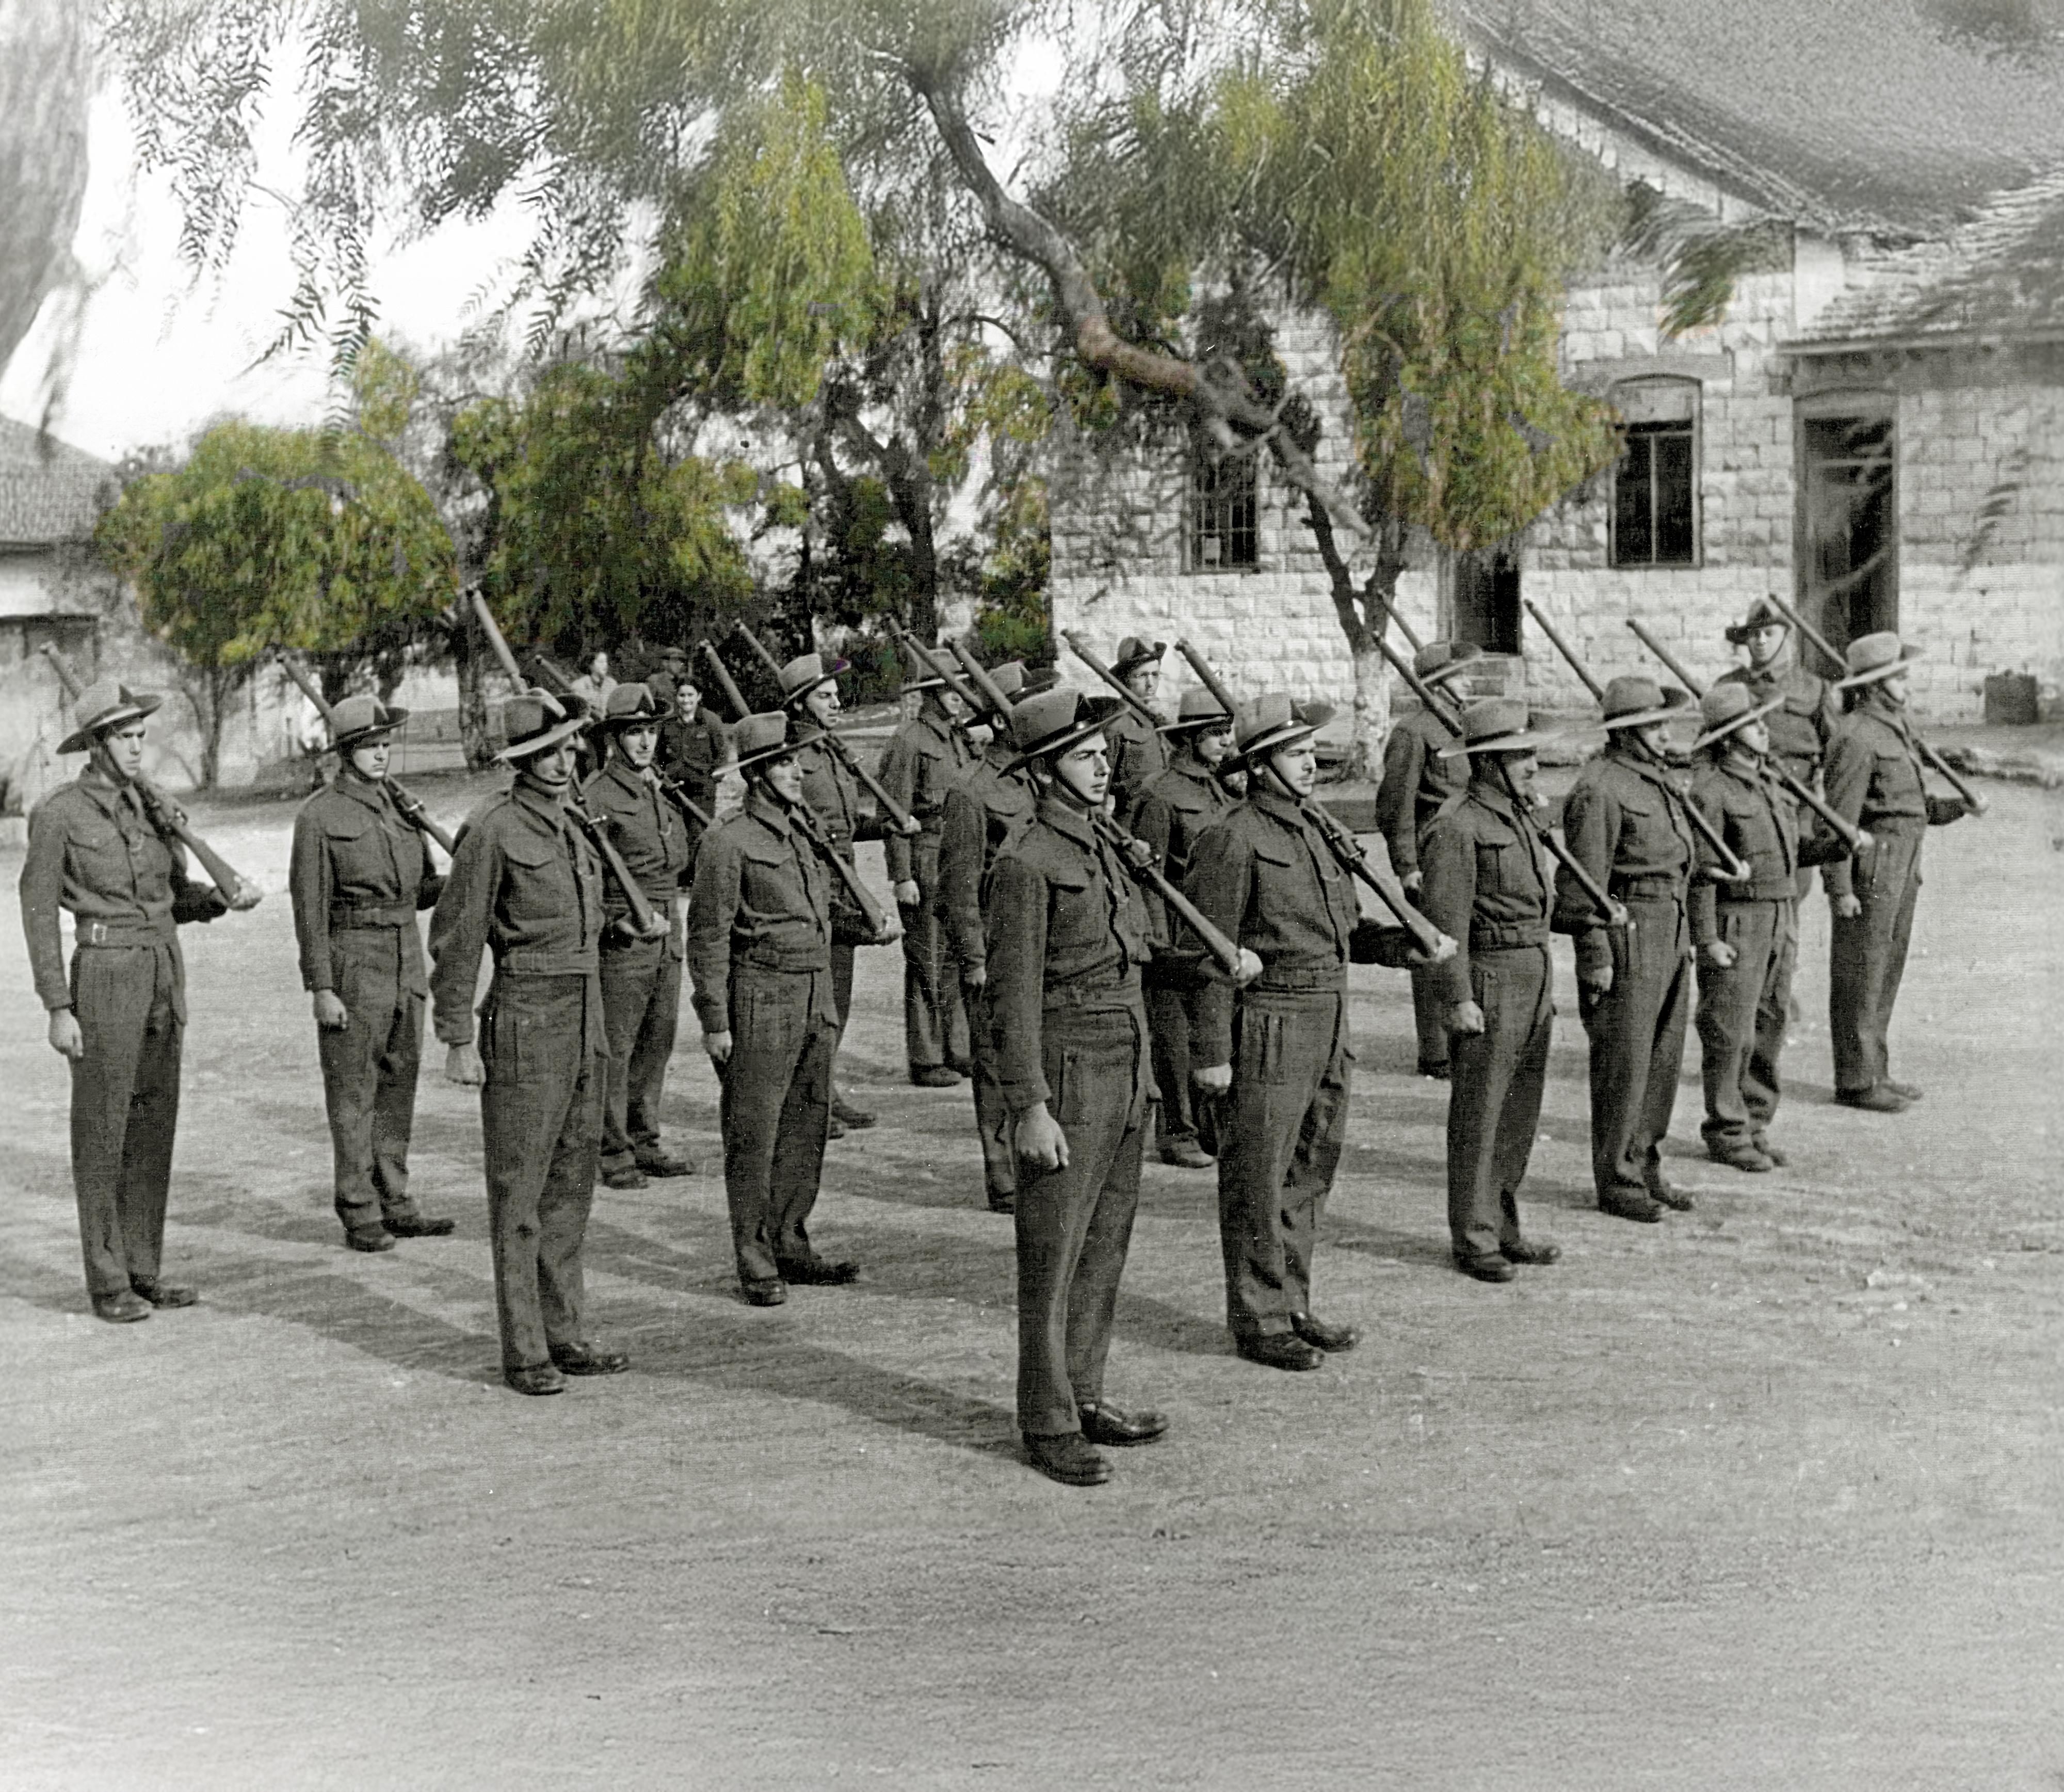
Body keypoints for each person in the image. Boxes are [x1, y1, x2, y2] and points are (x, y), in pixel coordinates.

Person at [1186, 693, 1425, 1370]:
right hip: (1271, 1022)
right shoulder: (1233, 837)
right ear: (1260, 767)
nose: (1312, 762)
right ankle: (1258, 1316)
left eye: (1310, 750)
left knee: (1310, 1168)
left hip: (1329, 1017)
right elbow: (1210, 950)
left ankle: (1291, 1299)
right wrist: (1211, 1054)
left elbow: (1345, 931)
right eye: (1295, 753)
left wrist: (1404, 946)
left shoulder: (1318, 831)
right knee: (1258, 1175)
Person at [19, 679, 260, 1322]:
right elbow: (39, 912)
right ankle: (107, 1280)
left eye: (139, 735)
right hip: (103, 976)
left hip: (161, 971)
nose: (136, 747)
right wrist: (57, 1005)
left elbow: (172, 895)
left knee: (154, 1126)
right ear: (95, 746)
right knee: (102, 1131)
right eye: (123, 737)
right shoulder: (59, 813)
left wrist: (215, 899)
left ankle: (143, 1267)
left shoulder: (154, 808)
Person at [985, 688, 1174, 1485]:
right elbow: (1012, 995)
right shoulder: (1027, 864)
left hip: (1125, 1063)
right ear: (1045, 770)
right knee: (1053, 1257)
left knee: (1106, 1245)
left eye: (1104, 753)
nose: (1104, 765)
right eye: (1085, 756)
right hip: (1069, 1067)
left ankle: (1086, 1390)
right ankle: (1049, 1419)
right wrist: (1029, 1104)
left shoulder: (1104, 846)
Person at [429, 692, 628, 1395]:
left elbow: (585, 917)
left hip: (584, 1016)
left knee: (571, 1185)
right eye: (548, 752)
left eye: (570, 748)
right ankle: (526, 1350)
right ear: (521, 761)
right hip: (524, 1019)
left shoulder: (573, 824)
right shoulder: (492, 829)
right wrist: (457, 1036)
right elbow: (458, 936)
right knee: (520, 1192)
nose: (564, 759)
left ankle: (565, 1330)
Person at [688, 712, 889, 1305]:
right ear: (755, 774)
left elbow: (820, 910)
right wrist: (715, 1020)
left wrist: (865, 929)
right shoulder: (727, 842)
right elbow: (709, 937)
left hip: (813, 995)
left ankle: (791, 1239)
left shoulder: (801, 832)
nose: (797, 771)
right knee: (754, 1134)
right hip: (762, 1000)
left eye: (796, 760)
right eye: (782, 762)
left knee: (806, 1127)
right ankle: (754, 1258)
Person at [287, 693, 455, 1253]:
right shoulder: (319, 816)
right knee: (354, 1092)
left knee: (398, 1085)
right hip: (354, 960)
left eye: (386, 745)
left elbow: (423, 888)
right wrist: (322, 986)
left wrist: (467, 870)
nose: (382, 755)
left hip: (406, 956)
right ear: (345, 752)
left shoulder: (402, 808)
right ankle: (359, 1209)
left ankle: (396, 1199)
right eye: (369, 746)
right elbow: (310, 908)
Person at [1416, 699, 1565, 1282]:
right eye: (1518, 755)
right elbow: (1445, 923)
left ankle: (1504, 1225)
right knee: (1480, 1114)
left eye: (1530, 752)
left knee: (1518, 1113)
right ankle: (1474, 1237)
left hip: (1532, 972)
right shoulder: (1456, 825)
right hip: (1490, 978)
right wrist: (1456, 997)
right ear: (1487, 763)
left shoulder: (1518, 814)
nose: (1532, 764)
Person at [1687, 683, 1864, 1166]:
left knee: (1769, 1024)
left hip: (1780, 915)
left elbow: (1793, 851)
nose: (1766, 729)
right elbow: (1700, 874)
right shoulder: (1710, 793)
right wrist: (1707, 939)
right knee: (1731, 1030)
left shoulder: (1769, 784)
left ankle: (1755, 1121)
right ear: (1727, 739)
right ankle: (1726, 1130)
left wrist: (1835, 848)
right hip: (1738, 920)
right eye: (1754, 723)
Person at [1555, 675, 1701, 1223]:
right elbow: (1583, 885)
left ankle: (1646, 1163)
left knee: (1661, 1059)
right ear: (1629, 732)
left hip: (1669, 922)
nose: (1667, 735)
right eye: (1656, 725)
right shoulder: (1599, 787)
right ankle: (1616, 1178)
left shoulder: (1655, 779)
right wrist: (1595, 955)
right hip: (1628, 930)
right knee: (1626, 1061)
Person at [1820, 632, 1971, 1113]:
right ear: (1875, 685)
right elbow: (1838, 821)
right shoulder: (1856, 736)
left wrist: (1957, 807)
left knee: (1886, 969)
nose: (1908, 681)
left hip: (1904, 862)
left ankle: (1876, 1069)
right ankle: (1856, 1079)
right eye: (1899, 675)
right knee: (1861, 972)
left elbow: (1907, 805)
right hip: (1874, 866)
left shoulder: (1894, 727)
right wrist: (1839, 887)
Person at [581, 681, 697, 1191]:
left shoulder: (657, 787)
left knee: (659, 1038)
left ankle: (644, 1138)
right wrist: (615, 918)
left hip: (667, 926)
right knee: (618, 1047)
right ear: (613, 739)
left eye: (650, 731)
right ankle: (612, 1150)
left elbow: (678, 856)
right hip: (625, 936)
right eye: (634, 733)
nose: (645, 742)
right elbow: (587, 876)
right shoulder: (597, 796)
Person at [937, 660, 1043, 1212]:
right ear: (1003, 721)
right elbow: (957, 886)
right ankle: (1002, 1170)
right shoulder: (971, 791)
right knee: (997, 1060)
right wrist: (974, 957)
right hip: (996, 946)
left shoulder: (1037, 776)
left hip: (1041, 940)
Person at [1127, 684, 1237, 1170]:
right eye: (1216, 735)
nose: (1226, 743)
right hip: (1173, 927)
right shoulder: (1158, 793)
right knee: (1173, 1039)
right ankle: (1176, 1132)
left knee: (1212, 1030)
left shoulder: (1218, 787)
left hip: (1214, 924)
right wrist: (1155, 943)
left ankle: (1208, 1127)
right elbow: (1144, 874)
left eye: (1228, 734)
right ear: (1191, 738)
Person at [781, 650, 888, 1136]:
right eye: (825, 696)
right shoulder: (793, 761)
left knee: (837, 1002)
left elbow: (843, 825)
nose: (836, 704)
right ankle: (808, 1101)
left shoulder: (829, 753)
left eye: (836, 696)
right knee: (815, 1004)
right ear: (801, 704)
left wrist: (885, 825)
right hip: (813, 891)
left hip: (843, 889)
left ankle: (825, 1091)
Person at [1374, 639, 1481, 1079]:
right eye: (1461, 676)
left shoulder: (1465, 724)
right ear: (1437, 683)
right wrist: (1406, 865)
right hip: (1431, 853)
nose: (1469, 683)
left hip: (1467, 847)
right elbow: (1394, 805)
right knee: (1434, 946)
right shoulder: (1413, 732)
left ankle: (1466, 1033)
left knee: (1467, 943)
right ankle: (1436, 1050)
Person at [876, 658, 975, 1086]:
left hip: (957, 857)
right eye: (951, 688)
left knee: (954, 955)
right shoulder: (909, 740)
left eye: (962, 687)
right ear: (933, 692)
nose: (959, 694)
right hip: (925, 857)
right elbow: (892, 810)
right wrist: (902, 875)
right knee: (927, 959)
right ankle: (926, 1056)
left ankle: (957, 1048)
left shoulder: (959, 737)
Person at [1103, 636, 1169, 821]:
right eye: (1142, 676)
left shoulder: (1156, 719)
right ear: (1125, 680)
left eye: (1155, 675)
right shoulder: (1118, 725)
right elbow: (1103, 788)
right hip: (1132, 821)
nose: (1151, 684)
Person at [570, 648, 617, 712]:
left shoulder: (612, 684)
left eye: (606, 661)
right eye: (601, 662)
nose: (605, 665)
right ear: (590, 665)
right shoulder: (579, 685)